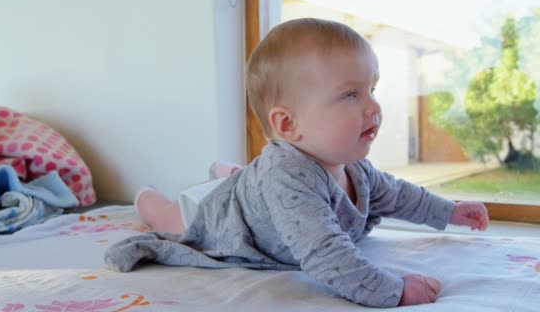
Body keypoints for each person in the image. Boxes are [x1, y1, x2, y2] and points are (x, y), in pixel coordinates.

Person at [105, 18, 489, 308]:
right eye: (351, 95)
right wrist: (395, 290)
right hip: (218, 214)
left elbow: (398, 195)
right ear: (288, 124)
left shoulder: (349, 164)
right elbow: (327, 257)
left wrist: (449, 212)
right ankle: (147, 196)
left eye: (371, 89)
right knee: (171, 217)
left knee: (249, 181)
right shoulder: (287, 180)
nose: (373, 106)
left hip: (258, 192)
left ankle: (230, 173)